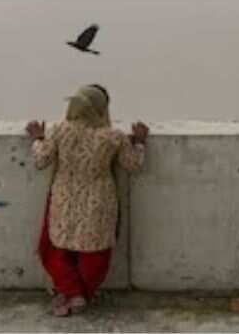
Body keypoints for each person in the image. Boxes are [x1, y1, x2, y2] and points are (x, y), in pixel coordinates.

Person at [26, 84, 148, 317]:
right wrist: (140, 142)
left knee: (55, 249)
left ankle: (70, 293)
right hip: (99, 200)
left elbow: (41, 160)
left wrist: (37, 139)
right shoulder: (113, 136)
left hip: (64, 197)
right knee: (95, 253)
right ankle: (81, 294)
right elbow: (133, 165)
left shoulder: (60, 130)